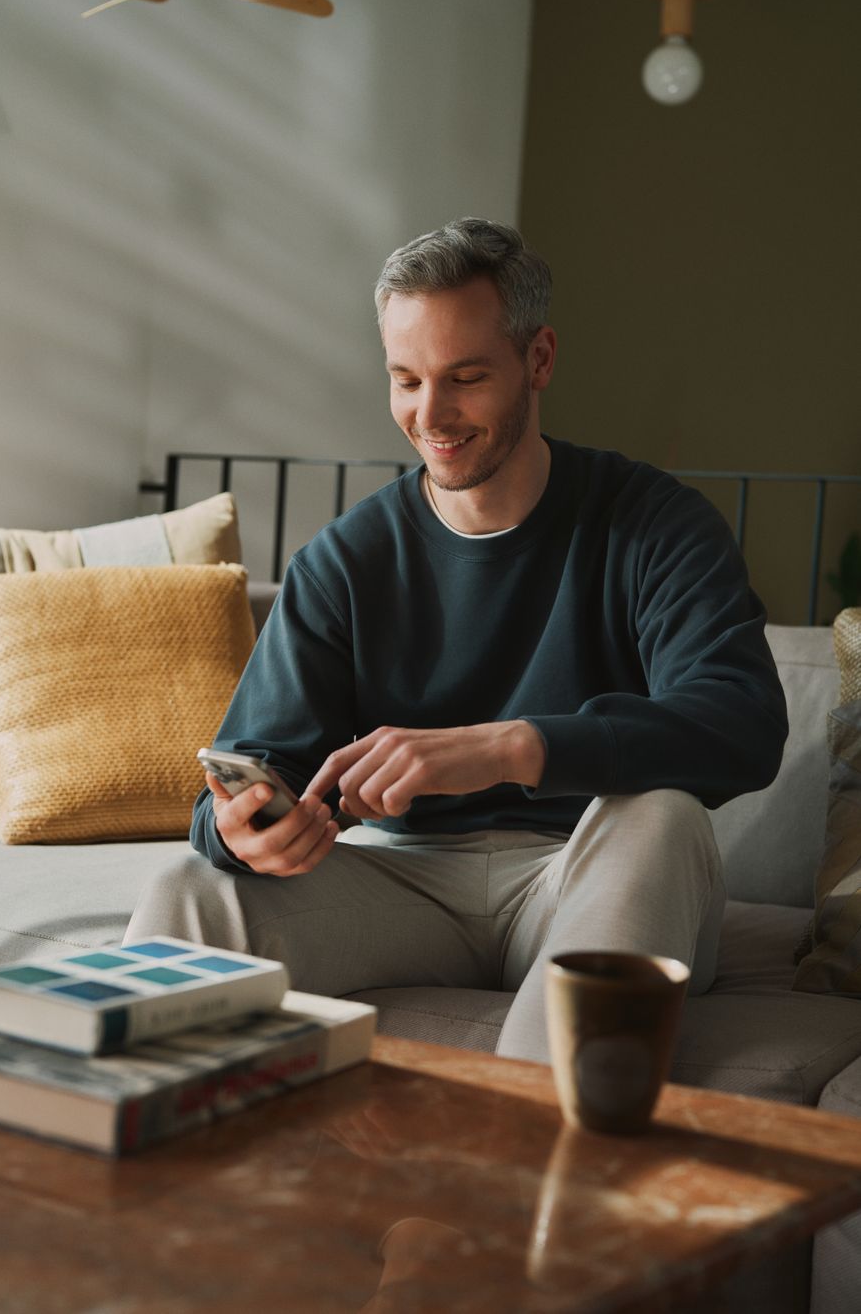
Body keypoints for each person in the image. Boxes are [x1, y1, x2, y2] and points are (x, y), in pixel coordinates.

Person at [124, 217, 788, 1062]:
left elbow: (741, 725)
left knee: (661, 817)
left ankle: (521, 1163)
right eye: (405, 379)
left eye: (465, 377)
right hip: (405, 887)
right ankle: (116, 1176)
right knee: (188, 889)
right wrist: (243, 831)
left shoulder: (655, 525)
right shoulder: (344, 560)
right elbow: (252, 767)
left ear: (538, 359)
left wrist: (511, 747)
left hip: (590, 872)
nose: (429, 414)